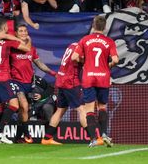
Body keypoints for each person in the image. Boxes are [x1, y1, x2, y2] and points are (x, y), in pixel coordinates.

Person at [71, 15, 119, 147]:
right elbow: (115, 60)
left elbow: (74, 57)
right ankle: (104, 134)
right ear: (105, 27)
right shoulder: (109, 41)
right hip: (103, 77)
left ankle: (93, 139)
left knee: (89, 110)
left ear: (93, 26)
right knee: (102, 107)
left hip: (89, 76)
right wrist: (107, 66)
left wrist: (84, 61)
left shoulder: (85, 39)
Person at [10, 24, 56, 143]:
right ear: (16, 34)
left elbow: (39, 63)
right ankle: (27, 135)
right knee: (24, 106)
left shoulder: (31, 49)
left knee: (25, 110)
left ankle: (18, 137)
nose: (24, 33)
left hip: (28, 83)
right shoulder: (12, 47)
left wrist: (52, 72)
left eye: (25, 31)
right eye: (21, 31)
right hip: (16, 82)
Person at [41, 42, 94, 145]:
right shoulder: (82, 47)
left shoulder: (73, 44)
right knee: (82, 109)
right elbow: (76, 58)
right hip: (70, 82)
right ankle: (93, 138)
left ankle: (47, 138)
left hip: (61, 79)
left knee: (60, 110)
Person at [0, 18, 31, 144]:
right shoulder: (8, 42)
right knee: (14, 105)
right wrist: (20, 39)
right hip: (2, 78)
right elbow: (27, 49)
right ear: (4, 28)